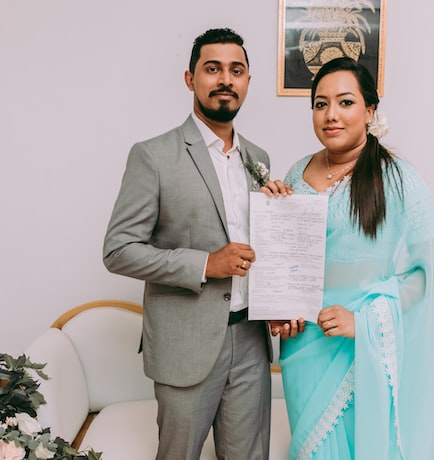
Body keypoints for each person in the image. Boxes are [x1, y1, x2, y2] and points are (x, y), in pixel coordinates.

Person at [103, 28, 299, 460]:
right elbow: (118, 249)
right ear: (190, 78)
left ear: (247, 81)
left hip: (251, 340)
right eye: (213, 69)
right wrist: (206, 264)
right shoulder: (153, 155)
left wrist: (279, 227)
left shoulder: (258, 158)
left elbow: (258, 249)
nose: (225, 79)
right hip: (185, 344)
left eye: (236, 70)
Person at [261, 57, 434, 459]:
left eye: (345, 102)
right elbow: (287, 261)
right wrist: (279, 306)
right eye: (320, 104)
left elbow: (428, 274)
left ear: (370, 111)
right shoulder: (296, 172)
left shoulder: (398, 178)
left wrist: (364, 323)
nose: (331, 115)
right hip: (303, 345)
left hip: (358, 347)